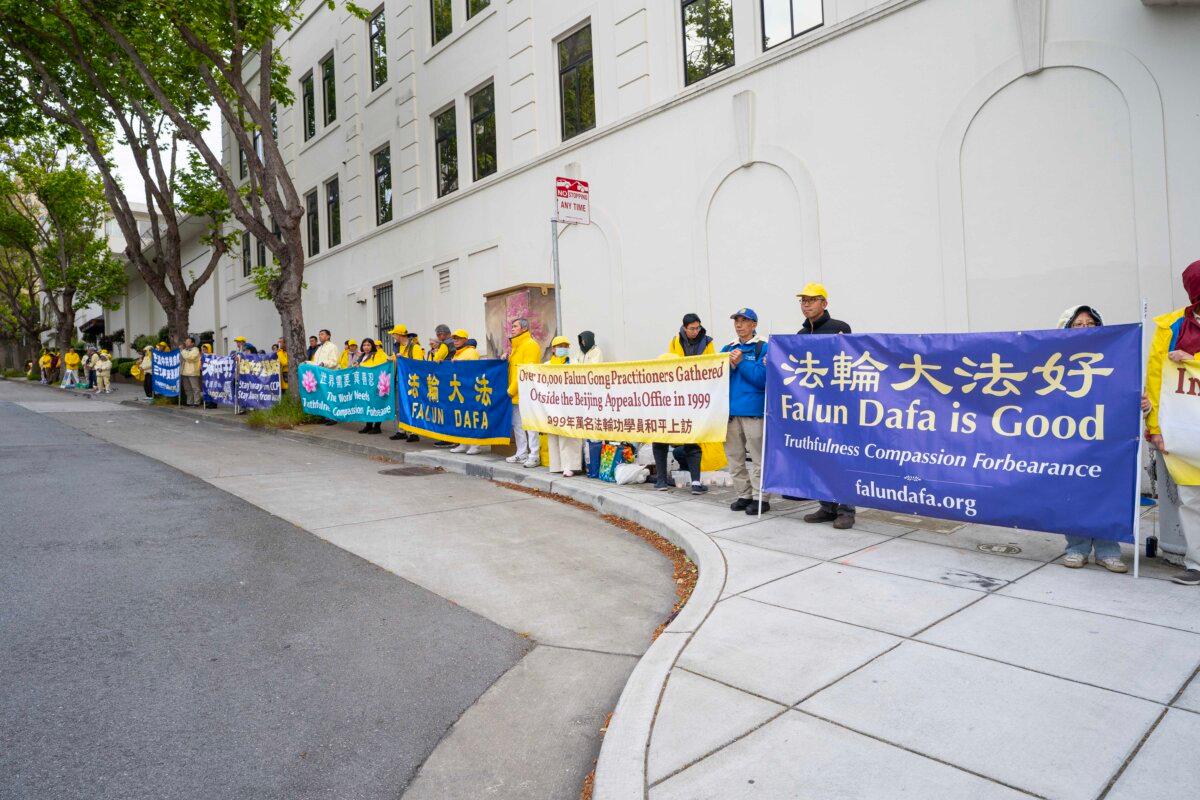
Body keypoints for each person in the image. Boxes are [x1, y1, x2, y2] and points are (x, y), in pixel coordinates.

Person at [1050, 305, 1126, 572]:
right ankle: (1077, 548)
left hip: (1106, 436)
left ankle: (1108, 550)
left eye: (1090, 323)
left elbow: (1125, 389)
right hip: (1070, 436)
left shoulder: (1114, 355)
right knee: (1075, 492)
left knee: (1107, 490)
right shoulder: (1056, 361)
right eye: (1078, 324)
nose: (1085, 328)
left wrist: (1140, 401)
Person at [1145, 260, 1200, 586]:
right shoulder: (1171, 328)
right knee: (1192, 499)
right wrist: (1154, 427)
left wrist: (1193, 359)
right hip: (1187, 430)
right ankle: (1196, 562)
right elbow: (1156, 382)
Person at [794, 283, 856, 528]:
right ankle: (826, 506)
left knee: (840, 458)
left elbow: (852, 362)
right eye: (803, 300)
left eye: (812, 299)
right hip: (812, 407)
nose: (806, 304)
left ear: (824, 303)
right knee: (819, 457)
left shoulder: (840, 328)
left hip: (838, 407)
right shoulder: (799, 336)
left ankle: (846, 510)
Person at [654, 315, 713, 494]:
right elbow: (670, 363)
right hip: (676, 391)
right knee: (666, 437)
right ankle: (662, 480)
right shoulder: (675, 341)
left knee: (691, 436)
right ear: (684, 328)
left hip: (695, 393)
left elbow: (711, 364)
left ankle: (694, 482)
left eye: (698, 328)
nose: (695, 332)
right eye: (692, 329)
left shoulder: (707, 342)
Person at [721, 308, 770, 515]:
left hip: (753, 412)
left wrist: (740, 364)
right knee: (734, 457)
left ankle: (761, 497)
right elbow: (716, 379)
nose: (739, 325)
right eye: (737, 321)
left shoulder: (763, 347)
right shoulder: (727, 347)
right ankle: (743, 494)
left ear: (754, 325)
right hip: (730, 413)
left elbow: (763, 379)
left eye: (744, 321)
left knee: (758, 457)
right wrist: (729, 366)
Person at [540, 336, 583, 476]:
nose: (563, 349)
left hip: (569, 405)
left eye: (565, 346)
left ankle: (570, 466)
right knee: (553, 435)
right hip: (552, 406)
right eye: (560, 346)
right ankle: (557, 465)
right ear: (553, 349)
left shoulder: (573, 363)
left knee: (569, 436)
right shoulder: (546, 366)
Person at [505, 317, 543, 467]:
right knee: (518, 425)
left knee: (530, 425)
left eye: (515, 326)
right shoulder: (517, 346)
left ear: (523, 328)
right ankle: (521, 453)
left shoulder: (530, 345)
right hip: (516, 393)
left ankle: (534, 455)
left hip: (526, 393)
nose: (512, 328)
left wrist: (511, 390)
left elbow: (525, 371)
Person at [387, 324, 424, 441]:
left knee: (412, 406)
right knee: (398, 407)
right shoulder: (397, 347)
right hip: (399, 380)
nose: (393, 336)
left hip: (411, 382)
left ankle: (414, 432)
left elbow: (418, 364)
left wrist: (403, 358)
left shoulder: (415, 348)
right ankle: (401, 430)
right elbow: (394, 360)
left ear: (399, 335)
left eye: (394, 334)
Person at [355, 338, 388, 435]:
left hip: (374, 384)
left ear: (372, 346)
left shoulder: (376, 355)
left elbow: (380, 367)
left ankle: (377, 427)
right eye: (364, 345)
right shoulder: (362, 356)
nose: (366, 347)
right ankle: (368, 425)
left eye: (368, 345)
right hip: (364, 385)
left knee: (376, 404)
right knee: (366, 404)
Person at [309, 329, 340, 426]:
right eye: (319, 334)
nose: (320, 336)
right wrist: (307, 363)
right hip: (320, 376)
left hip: (329, 375)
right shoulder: (319, 348)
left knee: (330, 396)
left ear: (328, 336)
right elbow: (316, 363)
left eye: (322, 334)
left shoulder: (332, 347)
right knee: (322, 397)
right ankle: (324, 416)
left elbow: (334, 361)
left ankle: (333, 417)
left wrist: (324, 363)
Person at [180, 337, 202, 407]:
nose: (186, 343)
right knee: (187, 389)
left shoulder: (196, 350)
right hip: (185, 372)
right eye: (186, 342)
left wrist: (182, 350)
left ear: (192, 343)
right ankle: (189, 402)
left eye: (188, 342)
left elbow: (190, 358)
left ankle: (197, 402)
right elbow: (182, 359)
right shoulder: (185, 350)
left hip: (193, 372)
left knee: (195, 388)